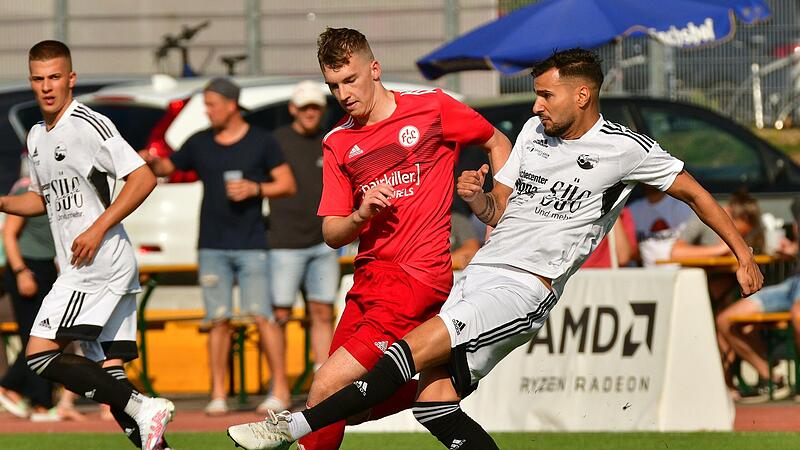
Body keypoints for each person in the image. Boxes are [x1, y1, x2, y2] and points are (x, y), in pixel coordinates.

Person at [227, 48, 763, 450]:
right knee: (431, 403)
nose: (536, 105)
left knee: (405, 354)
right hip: (481, 273)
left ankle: (291, 426)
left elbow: (693, 191)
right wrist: (481, 199)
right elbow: (502, 213)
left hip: (525, 288)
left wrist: (741, 254)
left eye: (545, 94)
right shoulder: (533, 132)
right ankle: (313, 417)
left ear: (582, 95)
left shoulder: (624, 149)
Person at [229, 27, 511, 450]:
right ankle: (429, 391)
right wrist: (361, 215)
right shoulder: (338, 143)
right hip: (368, 284)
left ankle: (286, 432)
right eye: (334, 86)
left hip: (416, 279)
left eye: (351, 80)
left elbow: (497, 139)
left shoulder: (432, 110)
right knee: (346, 407)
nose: (343, 94)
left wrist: (498, 211)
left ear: (374, 70)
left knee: (326, 385)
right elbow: (331, 232)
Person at [0, 40, 173, 450]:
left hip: (99, 262)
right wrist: (4, 202)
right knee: (107, 373)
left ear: (71, 79)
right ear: (31, 82)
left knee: (39, 355)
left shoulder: (88, 123)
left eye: (55, 77)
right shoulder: (38, 137)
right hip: (86, 265)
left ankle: (143, 407)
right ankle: (155, 437)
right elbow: (42, 200)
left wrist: (98, 228)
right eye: (39, 79)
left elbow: (142, 177)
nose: (47, 86)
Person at [140, 77, 296, 416]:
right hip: (211, 245)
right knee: (218, 320)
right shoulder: (199, 142)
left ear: (231, 104)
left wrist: (255, 189)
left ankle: (280, 390)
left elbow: (286, 183)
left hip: (253, 244)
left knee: (263, 317)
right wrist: (150, 160)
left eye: (211, 104)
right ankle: (218, 394)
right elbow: (168, 167)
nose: (207, 111)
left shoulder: (262, 141)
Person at [264, 80, 339, 413]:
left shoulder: (331, 141)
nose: (311, 113)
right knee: (279, 315)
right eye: (305, 107)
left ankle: (322, 385)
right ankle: (279, 389)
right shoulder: (276, 142)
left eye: (316, 107)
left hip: (323, 242)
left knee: (322, 313)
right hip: (284, 242)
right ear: (293, 109)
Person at [716, 196, 800, 402]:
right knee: (725, 321)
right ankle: (771, 378)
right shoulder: (797, 203)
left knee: (798, 315)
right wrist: (792, 249)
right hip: (792, 283)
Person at [0, 176, 59, 419]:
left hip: (46, 267)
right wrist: (21, 272)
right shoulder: (27, 186)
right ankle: (28, 396)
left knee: (47, 335)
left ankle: (32, 397)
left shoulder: (59, 184)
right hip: (28, 267)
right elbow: (9, 233)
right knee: (36, 337)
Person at [671, 191, 764, 306]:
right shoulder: (703, 218)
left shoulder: (752, 229)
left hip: (723, 281)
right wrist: (721, 249)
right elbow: (676, 253)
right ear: (727, 212)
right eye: (737, 233)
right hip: (696, 282)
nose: (739, 237)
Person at [628, 184, 693, 267]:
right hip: (647, 275)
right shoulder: (632, 210)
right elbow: (629, 253)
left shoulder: (684, 207)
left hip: (682, 273)